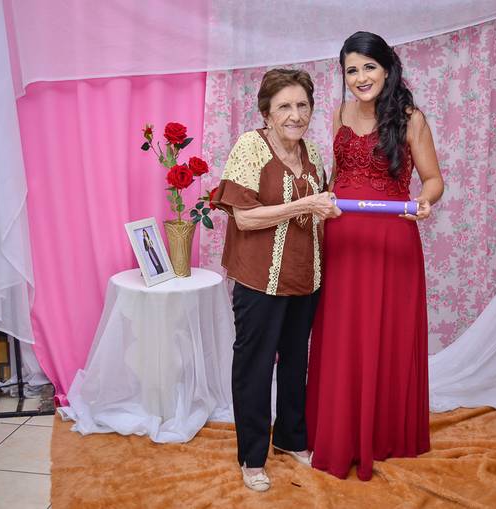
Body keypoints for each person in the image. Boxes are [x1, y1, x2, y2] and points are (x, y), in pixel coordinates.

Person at [306, 31, 444, 481]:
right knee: (343, 335)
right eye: (352, 70)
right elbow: (337, 176)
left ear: (387, 69)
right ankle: (339, 432)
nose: (360, 77)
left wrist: (425, 201)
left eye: (369, 67)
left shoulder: (410, 119)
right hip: (342, 239)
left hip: (391, 241)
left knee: (385, 333)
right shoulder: (337, 113)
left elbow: (433, 179)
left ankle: (382, 434)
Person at [211, 69, 341, 492]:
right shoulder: (250, 147)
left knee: (295, 363)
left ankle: (290, 437)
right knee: (254, 366)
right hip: (259, 281)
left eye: (302, 105)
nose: (295, 114)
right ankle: (252, 457)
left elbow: (320, 208)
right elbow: (245, 218)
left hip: (306, 277)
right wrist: (304, 204)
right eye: (284, 106)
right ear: (266, 113)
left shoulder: (313, 152)